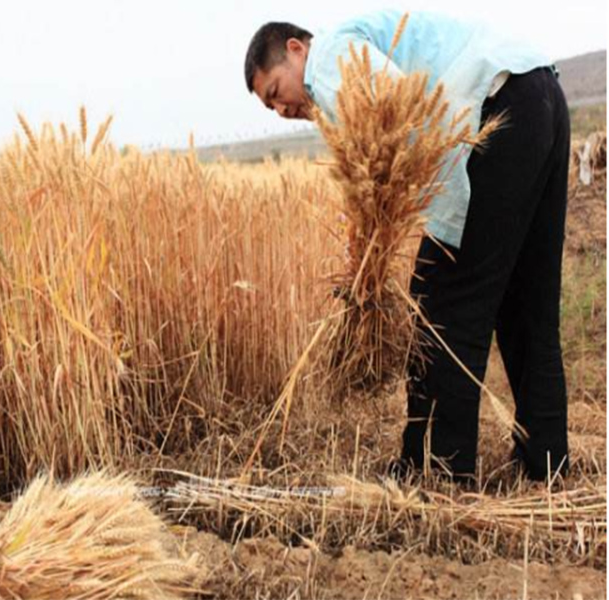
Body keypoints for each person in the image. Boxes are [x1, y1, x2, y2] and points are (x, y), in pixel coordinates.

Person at [244, 10, 570, 482]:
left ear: (296, 50)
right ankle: (546, 462)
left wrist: (370, 228)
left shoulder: (329, 58)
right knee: (528, 299)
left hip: (497, 111)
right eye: (269, 108)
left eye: (276, 91)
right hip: (539, 92)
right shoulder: (352, 52)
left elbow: (390, 114)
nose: (282, 110)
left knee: (440, 305)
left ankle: (439, 470)